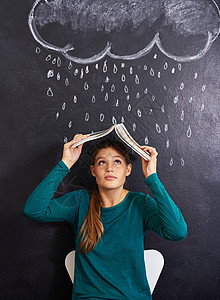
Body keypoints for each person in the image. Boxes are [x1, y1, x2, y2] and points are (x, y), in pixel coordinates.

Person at [23, 134, 187, 300]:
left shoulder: (140, 204)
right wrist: (65, 163)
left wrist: (152, 178)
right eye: (102, 162)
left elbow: (177, 232)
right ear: (93, 171)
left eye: (117, 161)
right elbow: (34, 210)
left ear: (128, 170)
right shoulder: (80, 201)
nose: (110, 168)